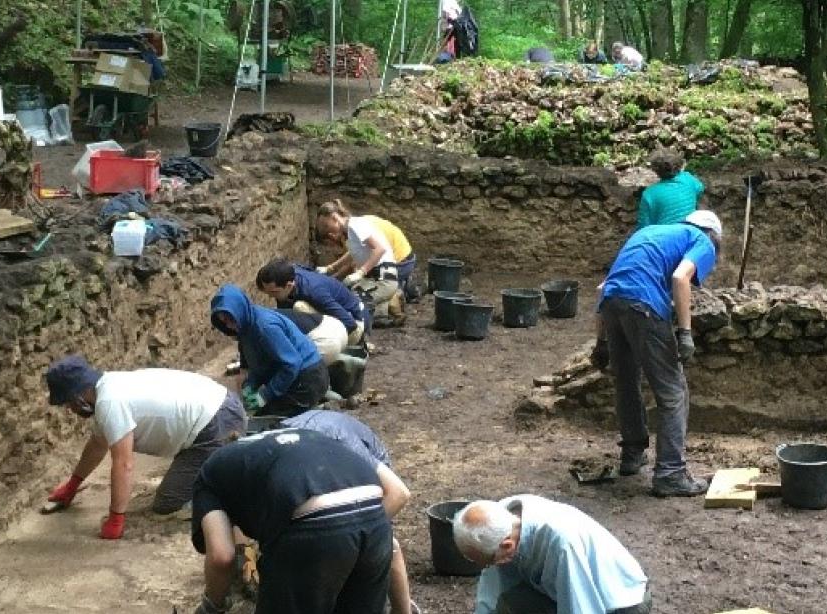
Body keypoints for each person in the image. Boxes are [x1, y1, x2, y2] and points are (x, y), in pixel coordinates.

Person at [189, 429, 396, 614]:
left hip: (313, 520)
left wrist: (210, 607)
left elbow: (221, 557)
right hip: (373, 513)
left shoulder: (208, 477)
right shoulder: (286, 441)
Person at [39, 357, 248, 537]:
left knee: (168, 504)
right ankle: (215, 472)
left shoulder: (110, 403)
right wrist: (73, 485)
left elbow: (123, 464)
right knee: (181, 484)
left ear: (79, 395)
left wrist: (116, 519)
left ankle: (225, 495)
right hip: (220, 407)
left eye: (68, 403)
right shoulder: (108, 385)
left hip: (218, 422)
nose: (69, 409)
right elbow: (97, 445)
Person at [592, 210, 723, 497]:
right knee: (673, 391)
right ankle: (671, 473)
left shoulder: (649, 234)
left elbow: (604, 287)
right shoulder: (701, 239)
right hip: (644, 308)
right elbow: (680, 278)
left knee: (626, 383)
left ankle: (632, 455)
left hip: (612, 305)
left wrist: (600, 341)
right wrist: (685, 333)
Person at [270, 410, 416, 614]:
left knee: (383, 545)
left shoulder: (345, 446)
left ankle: (404, 610)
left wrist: (367, 536)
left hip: (363, 474)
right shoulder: (275, 448)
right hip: (314, 461)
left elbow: (399, 494)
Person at [452, 495, 649, 614]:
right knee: (509, 604)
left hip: (620, 604)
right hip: (557, 592)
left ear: (508, 545)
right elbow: (491, 594)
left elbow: (580, 607)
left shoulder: (563, 545)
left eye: (487, 562)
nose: (486, 568)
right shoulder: (502, 517)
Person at [210, 285, 329, 417]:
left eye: (231, 319)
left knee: (271, 422)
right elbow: (259, 364)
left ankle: (318, 405)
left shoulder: (265, 328)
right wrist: (250, 384)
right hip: (294, 374)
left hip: (308, 378)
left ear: (239, 310)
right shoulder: (245, 328)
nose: (228, 325)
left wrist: (265, 395)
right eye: (224, 322)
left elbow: (292, 364)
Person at [317, 200, 418, 303]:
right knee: (353, 294)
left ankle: (400, 294)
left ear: (334, 218)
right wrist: (329, 268)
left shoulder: (355, 225)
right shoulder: (350, 231)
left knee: (359, 302)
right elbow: (353, 253)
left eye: (326, 226)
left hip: (398, 264)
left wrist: (361, 272)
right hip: (382, 272)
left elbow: (379, 250)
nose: (329, 232)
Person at [256, 259, 369, 349]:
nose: (270, 296)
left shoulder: (314, 292)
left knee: (299, 308)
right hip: (336, 317)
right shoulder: (288, 275)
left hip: (354, 323)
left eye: (273, 292)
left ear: (289, 285)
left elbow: (350, 324)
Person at [636, 150, 705, 229]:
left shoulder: (649, 194)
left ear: (655, 170)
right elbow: (700, 189)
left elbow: (644, 226)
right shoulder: (688, 179)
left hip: (663, 236)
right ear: (680, 165)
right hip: (690, 232)